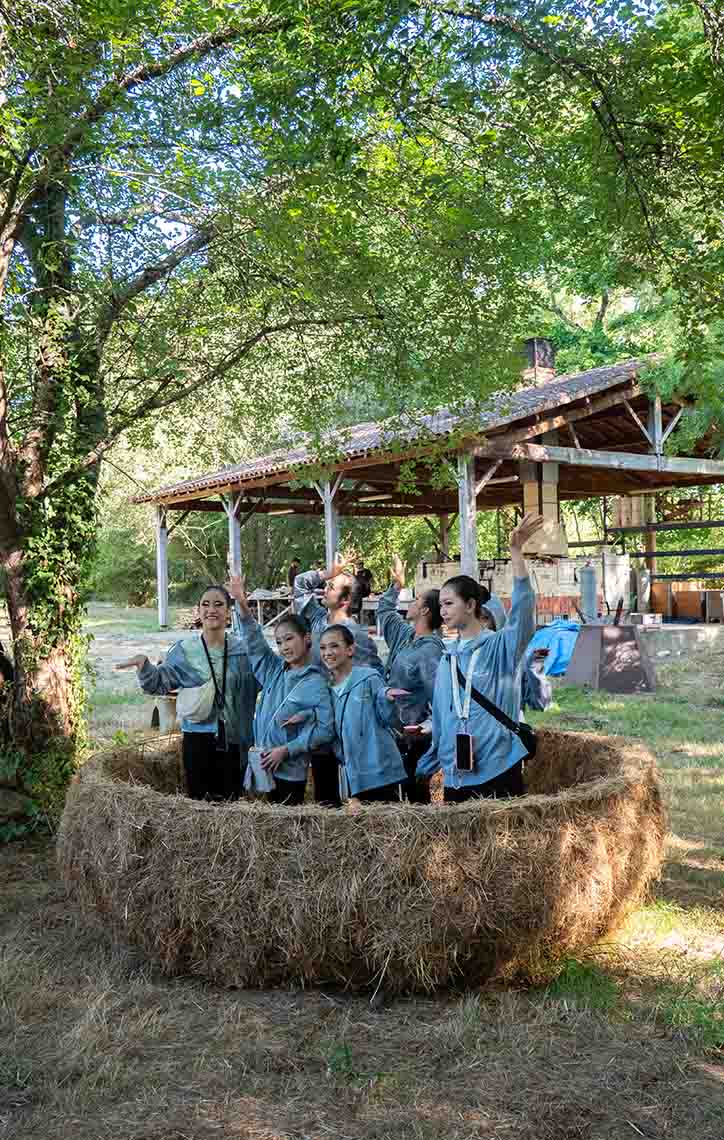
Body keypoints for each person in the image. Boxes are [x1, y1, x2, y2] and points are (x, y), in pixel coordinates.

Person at [417, 512, 545, 803]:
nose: (444, 610)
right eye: (441, 605)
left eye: (449, 603)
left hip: (498, 766)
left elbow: (523, 614)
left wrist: (516, 552)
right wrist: (435, 751)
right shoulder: (447, 658)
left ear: (471, 605)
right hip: (456, 772)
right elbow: (441, 712)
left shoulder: (500, 647)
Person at [116, 585, 258, 801]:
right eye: (205, 604)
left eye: (219, 604)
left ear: (228, 612)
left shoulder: (243, 651)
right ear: (198, 611)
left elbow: (266, 677)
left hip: (234, 739)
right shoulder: (185, 651)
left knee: (231, 801)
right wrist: (144, 666)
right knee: (199, 802)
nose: (212, 609)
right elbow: (160, 683)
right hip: (197, 738)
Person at [229, 575, 334, 805]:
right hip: (262, 766)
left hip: (290, 773)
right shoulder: (274, 670)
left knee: (287, 830)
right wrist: (242, 604)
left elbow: (325, 730)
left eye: (289, 639)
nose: (284, 647)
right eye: (279, 642)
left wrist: (286, 750)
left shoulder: (316, 682)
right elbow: (255, 643)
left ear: (307, 639)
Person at [294, 552, 384, 806]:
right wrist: (330, 571)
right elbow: (300, 585)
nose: (325, 588)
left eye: (331, 587)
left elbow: (374, 681)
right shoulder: (317, 620)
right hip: (319, 726)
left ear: (345, 600)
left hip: (348, 732)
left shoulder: (358, 638)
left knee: (354, 801)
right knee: (325, 799)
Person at [377, 555, 444, 804]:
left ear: (425, 610)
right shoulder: (406, 635)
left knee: (415, 796)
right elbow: (384, 611)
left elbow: (438, 696)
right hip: (392, 731)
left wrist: (427, 726)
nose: (411, 602)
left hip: (415, 736)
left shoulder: (431, 651)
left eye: (416, 599)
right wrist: (396, 586)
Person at [320, 624, 407, 806]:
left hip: (381, 771)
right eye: (323, 647)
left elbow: (389, 720)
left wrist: (387, 699)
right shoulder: (324, 690)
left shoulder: (369, 678)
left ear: (350, 649)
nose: (327, 652)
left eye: (334, 646)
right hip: (352, 773)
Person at [478, 599, 553, 714]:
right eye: (475, 618)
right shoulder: (456, 658)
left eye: (484, 618)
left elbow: (541, 704)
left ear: (498, 620)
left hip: (507, 729)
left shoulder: (514, 657)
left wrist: (534, 667)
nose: (479, 625)